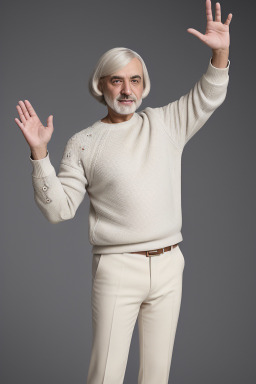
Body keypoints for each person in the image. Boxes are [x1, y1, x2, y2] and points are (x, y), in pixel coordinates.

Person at [14, 1, 232, 383]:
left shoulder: (165, 124)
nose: (126, 89)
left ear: (144, 85)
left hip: (169, 265)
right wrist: (39, 154)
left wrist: (220, 52)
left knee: (157, 377)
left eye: (134, 80)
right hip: (117, 268)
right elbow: (58, 209)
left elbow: (208, 96)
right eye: (117, 80)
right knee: (106, 376)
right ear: (101, 85)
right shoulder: (83, 143)